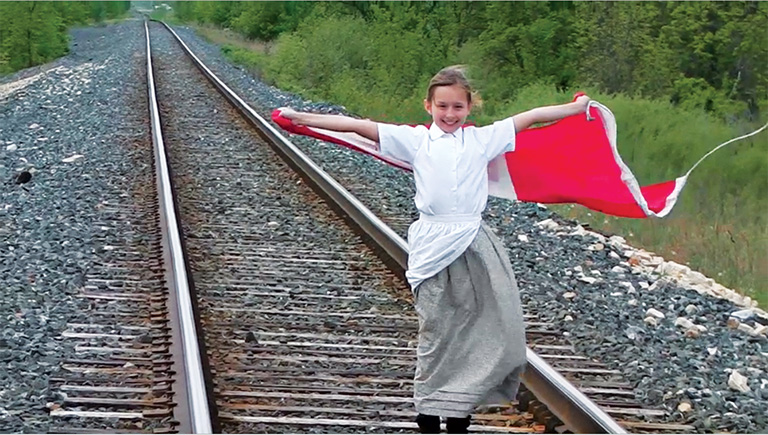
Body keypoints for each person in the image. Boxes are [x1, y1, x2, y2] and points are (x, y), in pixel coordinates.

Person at [278, 65, 590, 434]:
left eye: (458, 107)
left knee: (481, 328)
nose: (449, 114)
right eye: (442, 106)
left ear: (469, 108)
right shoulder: (415, 140)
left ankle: (459, 415)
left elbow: (533, 117)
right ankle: (428, 414)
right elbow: (358, 125)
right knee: (436, 330)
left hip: (474, 244)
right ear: (428, 105)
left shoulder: (483, 140)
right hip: (432, 244)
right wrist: (299, 117)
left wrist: (577, 107)